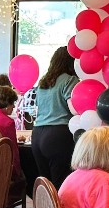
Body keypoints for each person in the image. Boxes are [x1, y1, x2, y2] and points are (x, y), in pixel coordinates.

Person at [31, 46, 80, 189]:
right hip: (58, 134)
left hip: (38, 133)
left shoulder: (43, 82)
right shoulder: (70, 80)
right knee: (61, 184)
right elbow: (74, 109)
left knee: (46, 185)